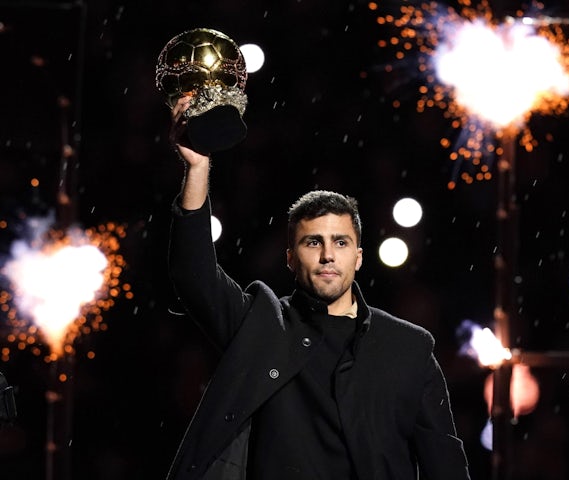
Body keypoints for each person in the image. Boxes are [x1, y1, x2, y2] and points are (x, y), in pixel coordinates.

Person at [165, 96, 471, 480]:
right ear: (290, 258)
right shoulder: (260, 325)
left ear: (358, 256)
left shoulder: (408, 348)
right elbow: (193, 276)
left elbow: (445, 465)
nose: (328, 255)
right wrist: (197, 169)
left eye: (340, 242)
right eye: (313, 242)